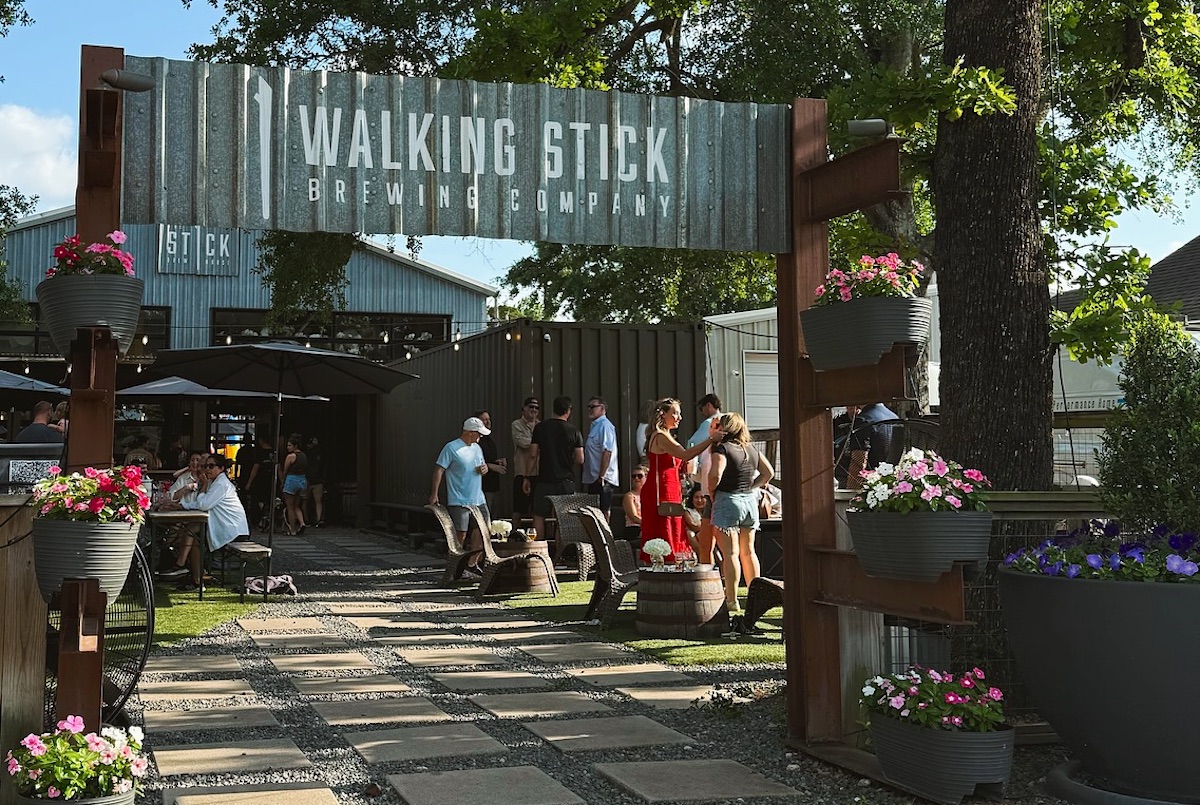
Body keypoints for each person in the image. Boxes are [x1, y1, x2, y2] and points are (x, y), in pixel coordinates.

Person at [640, 397, 722, 564]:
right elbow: (685, 454)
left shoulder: (667, 436)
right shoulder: (660, 436)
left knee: (674, 526)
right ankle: (663, 563)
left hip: (671, 488)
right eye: (675, 413)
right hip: (660, 490)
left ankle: (672, 562)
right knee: (664, 527)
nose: (679, 417)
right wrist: (710, 439)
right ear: (663, 414)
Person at [708, 412, 775, 617]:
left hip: (727, 500)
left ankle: (731, 599)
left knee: (730, 554)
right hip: (749, 502)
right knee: (749, 552)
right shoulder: (751, 449)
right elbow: (769, 473)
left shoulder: (722, 449)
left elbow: (715, 474)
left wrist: (712, 491)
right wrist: (752, 486)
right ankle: (755, 598)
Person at [157, 455, 249, 590]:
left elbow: (204, 505)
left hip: (232, 530)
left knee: (191, 532)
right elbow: (200, 503)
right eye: (206, 466)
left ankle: (182, 567)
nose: (207, 469)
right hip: (223, 526)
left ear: (221, 468)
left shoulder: (221, 484)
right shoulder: (215, 482)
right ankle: (194, 578)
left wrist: (204, 486)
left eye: (211, 466)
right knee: (191, 533)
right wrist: (181, 506)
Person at [429, 417, 491, 575]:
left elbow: (482, 466)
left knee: (484, 530)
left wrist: (485, 469)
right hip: (459, 498)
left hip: (478, 498)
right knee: (460, 533)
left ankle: (472, 563)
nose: (481, 436)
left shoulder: (477, 448)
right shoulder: (451, 448)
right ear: (469, 432)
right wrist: (434, 494)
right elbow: (439, 470)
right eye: (479, 433)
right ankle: (455, 566)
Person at [525, 395, 584, 540]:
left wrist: (527, 477)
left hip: (545, 479)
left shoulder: (540, 428)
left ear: (553, 409)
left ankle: (538, 548)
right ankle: (560, 550)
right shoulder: (574, 431)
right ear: (568, 411)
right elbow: (580, 458)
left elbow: (533, 454)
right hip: (565, 480)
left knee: (538, 515)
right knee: (563, 518)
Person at [686, 393, 722, 564]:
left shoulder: (710, 424)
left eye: (702, 409)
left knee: (711, 542)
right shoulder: (731, 422)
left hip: (713, 491)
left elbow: (692, 445)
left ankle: (712, 572)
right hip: (735, 492)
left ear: (708, 406)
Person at [833, 403, 898, 488]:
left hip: (867, 484)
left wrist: (851, 491)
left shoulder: (864, 419)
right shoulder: (894, 417)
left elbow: (858, 462)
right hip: (890, 482)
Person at [582, 396, 619, 521]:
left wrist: (602, 476)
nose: (590, 409)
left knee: (603, 510)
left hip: (602, 478)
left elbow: (607, 451)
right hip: (594, 477)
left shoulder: (604, 426)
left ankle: (604, 533)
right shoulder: (595, 426)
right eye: (588, 407)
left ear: (602, 408)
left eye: (592, 407)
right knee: (593, 512)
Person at [510, 396, 540, 526]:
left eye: (536, 408)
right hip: (522, 473)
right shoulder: (516, 424)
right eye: (531, 407)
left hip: (538, 473)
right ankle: (514, 535)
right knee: (518, 509)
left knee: (537, 510)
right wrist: (538, 443)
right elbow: (522, 442)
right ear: (524, 409)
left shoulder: (540, 425)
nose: (534, 410)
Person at [473, 410, 506, 512]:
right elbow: (474, 463)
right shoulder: (475, 441)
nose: (488, 422)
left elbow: (487, 458)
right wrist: (491, 466)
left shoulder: (489, 439)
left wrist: (498, 462)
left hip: (494, 486)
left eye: (489, 419)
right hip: (483, 487)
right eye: (485, 420)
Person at [279, 434, 308, 535]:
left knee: (290, 507)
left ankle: (293, 530)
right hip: (302, 480)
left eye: (289, 445)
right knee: (297, 506)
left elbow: (285, 470)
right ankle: (302, 523)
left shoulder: (291, 456)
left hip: (292, 480)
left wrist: (283, 481)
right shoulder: (303, 456)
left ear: (295, 446)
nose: (288, 447)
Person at [304, 435, 326, 527]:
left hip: (313, 480)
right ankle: (314, 519)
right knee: (314, 501)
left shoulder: (309, 455)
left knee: (308, 501)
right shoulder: (308, 455)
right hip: (313, 480)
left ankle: (312, 520)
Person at [622, 464, 647, 541]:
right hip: (634, 528)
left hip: (646, 526)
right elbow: (633, 517)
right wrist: (649, 524)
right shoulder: (629, 496)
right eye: (634, 476)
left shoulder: (650, 495)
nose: (636, 478)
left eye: (640, 476)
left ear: (646, 477)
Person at [683, 484, 706, 554]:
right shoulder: (688, 511)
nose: (699, 500)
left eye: (702, 497)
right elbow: (693, 526)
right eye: (696, 497)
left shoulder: (711, 511)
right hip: (696, 536)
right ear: (692, 499)